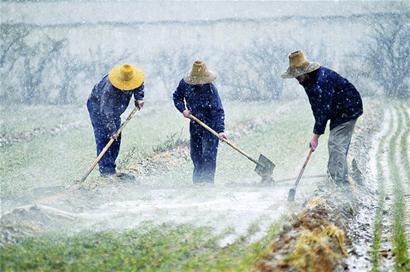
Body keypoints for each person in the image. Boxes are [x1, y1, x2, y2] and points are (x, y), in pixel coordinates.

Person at [281, 51, 363, 185]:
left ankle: (339, 184)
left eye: (298, 75)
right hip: (337, 110)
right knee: (338, 145)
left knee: (336, 144)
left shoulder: (322, 80)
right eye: (295, 76)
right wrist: (317, 134)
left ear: (305, 71)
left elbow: (324, 109)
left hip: (348, 108)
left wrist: (315, 136)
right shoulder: (307, 81)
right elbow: (317, 108)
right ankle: (337, 177)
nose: (297, 79)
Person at [173, 60, 227, 184]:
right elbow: (177, 96)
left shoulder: (211, 90)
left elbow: (218, 111)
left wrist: (220, 131)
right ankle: (197, 184)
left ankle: (207, 184)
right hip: (195, 124)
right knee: (196, 155)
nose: (200, 83)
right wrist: (183, 110)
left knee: (209, 155)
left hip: (210, 125)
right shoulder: (185, 84)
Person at [86, 63, 145, 178]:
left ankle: (111, 168)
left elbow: (139, 85)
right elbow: (105, 112)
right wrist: (112, 130)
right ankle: (106, 172)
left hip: (115, 109)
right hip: (97, 107)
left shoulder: (134, 78)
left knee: (116, 138)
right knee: (104, 137)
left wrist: (139, 98)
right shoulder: (110, 89)